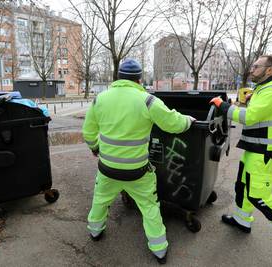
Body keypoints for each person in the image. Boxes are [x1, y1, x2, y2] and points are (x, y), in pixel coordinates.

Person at [82, 58, 195, 264]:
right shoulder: (147, 100)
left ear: (118, 78)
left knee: (100, 200)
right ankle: (159, 250)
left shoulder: (100, 99)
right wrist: (189, 120)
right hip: (137, 172)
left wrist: (95, 147)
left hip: (107, 169)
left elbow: (88, 132)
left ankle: (95, 231)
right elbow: (173, 123)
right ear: (139, 79)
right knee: (149, 207)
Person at [209, 55, 272, 257]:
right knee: (242, 186)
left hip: (265, 152)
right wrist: (245, 101)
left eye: (257, 66)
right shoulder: (262, 89)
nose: (252, 69)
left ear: (269, 70)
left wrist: (222, 105)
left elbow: (249, 117)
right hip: (254, 149)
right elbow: (258, 116)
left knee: (258, 196)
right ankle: (242, 220)